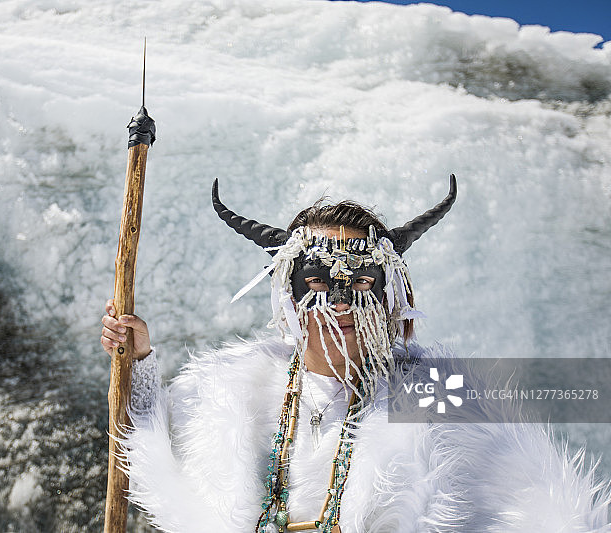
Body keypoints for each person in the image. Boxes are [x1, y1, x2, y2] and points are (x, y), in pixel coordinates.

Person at [100, 176, 609, 533]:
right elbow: (153, 437)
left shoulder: (428, 391)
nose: (341, 301)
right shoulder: (238, 386)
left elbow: (534, 496)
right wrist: (139, 360)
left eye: (363, 281)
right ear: (289, 293)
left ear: (391, 293)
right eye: (318, 281)